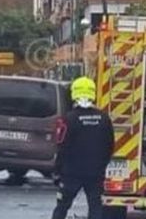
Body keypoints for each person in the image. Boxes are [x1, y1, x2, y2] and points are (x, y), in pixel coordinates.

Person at [51, 76, 114, 219]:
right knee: (95, 206)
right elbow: (110, 145)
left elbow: (61, 146)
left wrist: (57, 170)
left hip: (71, 173)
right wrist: (101, 166)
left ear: (74, 93)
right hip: (95, 173)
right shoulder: (104, 119)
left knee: (62, 206)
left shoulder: (69, 119)